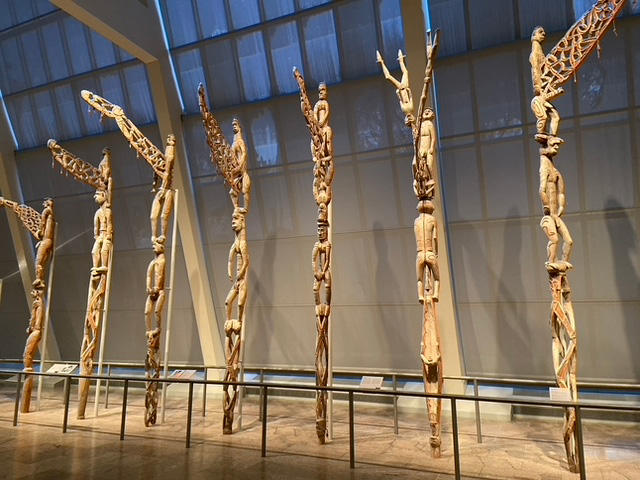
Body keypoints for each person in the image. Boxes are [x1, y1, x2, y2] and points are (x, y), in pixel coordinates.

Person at [539, 136, 573, 269]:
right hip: (548, 217)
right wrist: (546, 206)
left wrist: (561, 206)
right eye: (554, 145)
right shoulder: (544, 168)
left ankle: (563, 261)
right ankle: (551, 263)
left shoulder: (555, 172)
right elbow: (542, 190)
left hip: (555, 216)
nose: (557, 148)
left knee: (569, 241)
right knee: (554, 240)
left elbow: (561, 192)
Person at [414, 200, 439, 303]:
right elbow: (435, 238)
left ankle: (420, 295)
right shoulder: (432, 220)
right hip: (429, 253)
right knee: (437, 278)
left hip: (420, 254)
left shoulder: (416, 221)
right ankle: (436, 294)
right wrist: (436, 252)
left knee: (420, 279)